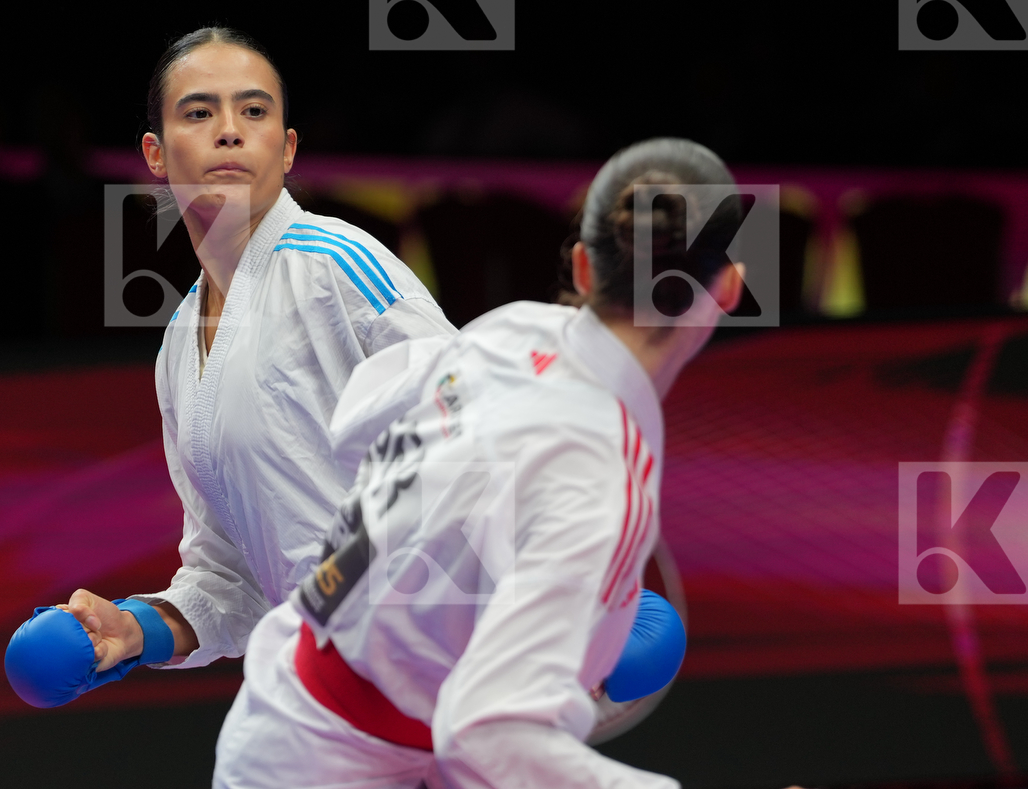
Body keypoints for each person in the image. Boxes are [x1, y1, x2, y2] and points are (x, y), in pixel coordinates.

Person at [209, 138, 745, 789]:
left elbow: (353, 429)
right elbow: (487, 732)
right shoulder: (600, 478)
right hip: (340, 762)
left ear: (581, 268)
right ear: (728, 287)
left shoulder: (507, 331)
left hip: (292, 713)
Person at [36, 27, 456, 677]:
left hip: (439, 664)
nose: (229, 131)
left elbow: (482, 430)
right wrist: (133, 628)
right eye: (199, 112)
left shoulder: (340, 268)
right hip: (319, 682)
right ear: (154, 153)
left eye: (254, 112)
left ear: (287, 149)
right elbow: (230, 583)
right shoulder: (179, 344)